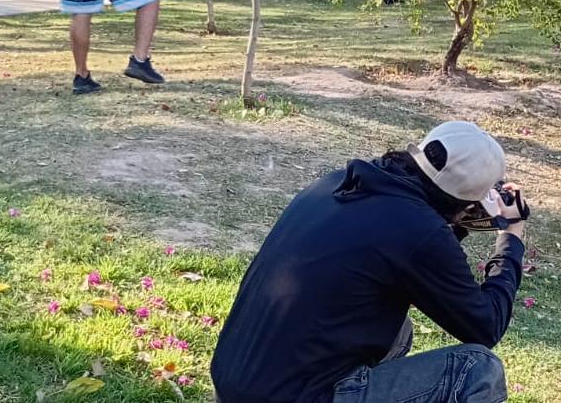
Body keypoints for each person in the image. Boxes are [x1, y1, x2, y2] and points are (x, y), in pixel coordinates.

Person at [211, 121, 529, 402]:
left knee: (397, 330)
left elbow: (403, 252)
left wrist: (459, 222)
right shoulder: (419, 233)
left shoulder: (341, 182)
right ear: (466, 203)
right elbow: (486, 326)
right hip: (293, 396)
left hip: (235, 381)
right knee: (477, 369)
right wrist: (512, 234)